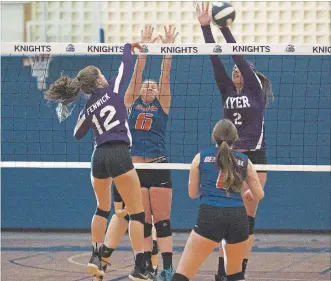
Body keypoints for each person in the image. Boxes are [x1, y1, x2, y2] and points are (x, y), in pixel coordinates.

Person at [44, 42, 152, 281]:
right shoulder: (113, 89)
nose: (105, 76)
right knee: (137, 213)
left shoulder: (88, 106)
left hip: (98, 157)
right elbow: (127, 64)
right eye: (102, 74)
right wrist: (127, 47)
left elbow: (77, 134)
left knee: (102, 208)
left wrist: (80, 110)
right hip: (119, 153)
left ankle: (96, 255)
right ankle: (140, 266)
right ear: (100, 79)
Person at [196, 3, 273, 280]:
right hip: (231, 157)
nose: (237, 71)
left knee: (247, 218)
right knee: (228, 213)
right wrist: (206, 28)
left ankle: (239, 270)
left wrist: (226, 31)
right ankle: (221, 272)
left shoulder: (255, 91)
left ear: (251, 75)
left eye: (242, 70)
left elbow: (237, 57)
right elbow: (215, 60)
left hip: (256, 156)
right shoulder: (226, 88)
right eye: (236, 71)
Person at [172, 119, 264, 281]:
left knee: (182, 275)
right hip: (238, 218)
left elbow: (192, 194)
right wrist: (249, 191)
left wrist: (209, 188)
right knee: (235, 275)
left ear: (213, 138)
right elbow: (260, 194)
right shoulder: (245, 160)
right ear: (235, 139)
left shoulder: (200, 157)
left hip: (210, 215)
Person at [124, 24, 178, 281]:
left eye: (153, 87)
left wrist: (167, 50)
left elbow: (165, 76)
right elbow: (136, 77)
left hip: (157, 164)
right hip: (136, 169)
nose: (149, 88)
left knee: (162, 220)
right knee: (143, 220)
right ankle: (145, 265)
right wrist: (143, 50)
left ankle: (166, 268)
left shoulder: (162, 104)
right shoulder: (130, 103)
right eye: (146, 87)